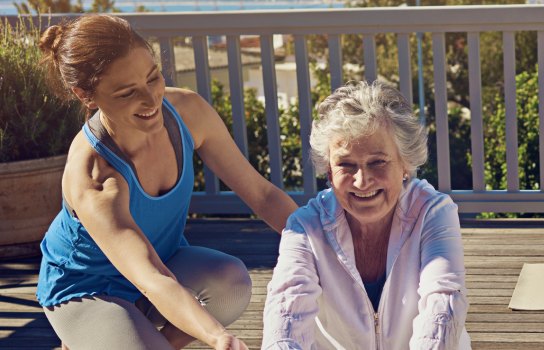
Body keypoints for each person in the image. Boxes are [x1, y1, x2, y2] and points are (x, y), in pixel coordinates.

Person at [35, 14, 298, 350]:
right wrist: (218, 337)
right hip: (89, 288)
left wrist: (327, 249)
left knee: (231, 283)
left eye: (153, 77)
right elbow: (151, 279)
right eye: (128, 92)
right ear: (85, 95)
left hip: (165, 260)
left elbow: (261, 194)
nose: (151, 99)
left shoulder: (187, 112)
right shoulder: (94, 174)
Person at [261, 81, 471, 349]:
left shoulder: (434, 212)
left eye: (378, 162)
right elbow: (285, 315)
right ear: (328, 171)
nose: (362, 182)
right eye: (346, 165)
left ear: (405, 164)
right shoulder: (305, 226)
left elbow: (443, 304)